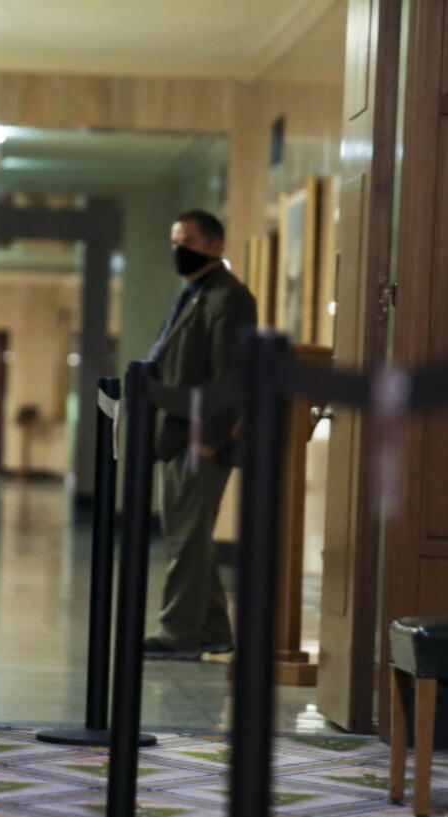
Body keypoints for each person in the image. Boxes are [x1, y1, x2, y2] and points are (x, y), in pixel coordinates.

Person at [144, 209, 256, 660]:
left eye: (188, 241)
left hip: (200, 437)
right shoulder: (194, 295)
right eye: (175, 241)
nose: (179, 250)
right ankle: (213, 630)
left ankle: (179, 634)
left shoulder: (230, 298)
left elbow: (231, 373)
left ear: (215, 245)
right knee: (187, 536)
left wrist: (210, 435)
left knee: (188, 538)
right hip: (176, 432)